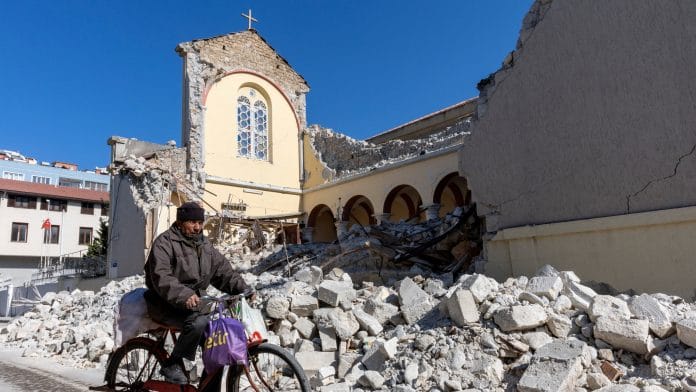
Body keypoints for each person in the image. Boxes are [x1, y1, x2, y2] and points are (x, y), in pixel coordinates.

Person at [144, 201, 249, 384]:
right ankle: (173, 363)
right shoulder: (165, 243)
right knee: (200, 322)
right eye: (192, 222)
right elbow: (161, 277)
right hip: (164, 303)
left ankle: (209, 384)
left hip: (195, 304)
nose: (197, 227)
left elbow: (223, 272)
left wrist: (243, 288)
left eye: (200, 223)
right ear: (179, 222)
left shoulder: (204, 245)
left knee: (217, 339)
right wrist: (184, 295)